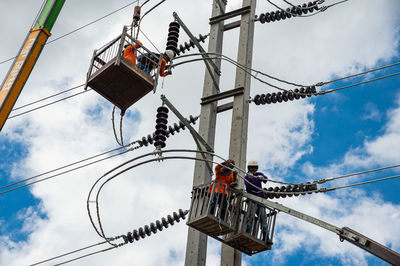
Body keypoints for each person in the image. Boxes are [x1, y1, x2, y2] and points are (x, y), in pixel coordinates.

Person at [244, 160, 269, 239]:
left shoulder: (259, 174)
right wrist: (251, 179)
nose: (253, 169)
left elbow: (266, 180)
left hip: (260, 200)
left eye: (254, 168)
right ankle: (247, 234)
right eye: (252, 168)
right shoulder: (247, 177)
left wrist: (262, 178)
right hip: (252, 201)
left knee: (263, 220)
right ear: (249, 168)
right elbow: (248, 186)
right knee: (250, 218)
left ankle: (265, 237)